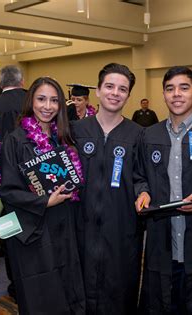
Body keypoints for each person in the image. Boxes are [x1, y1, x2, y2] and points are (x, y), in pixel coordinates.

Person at [135, 66, 192, 313]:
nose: (176, 94)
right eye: (170, 88)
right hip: (161, 237)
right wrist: (142, 191)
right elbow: (139, 174)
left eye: (184, 88)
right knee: (162, 304)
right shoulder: (148, 135)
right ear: (163, 95)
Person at [0, 76, 86, 314]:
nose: (47, 106)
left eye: (54, 100)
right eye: (41, 99)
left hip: (65, 222)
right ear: (31, 101)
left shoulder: (65, 138)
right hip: (35, 227)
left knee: (69, 285)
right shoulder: (15, 140)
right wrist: (44, 201)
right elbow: (8, 190)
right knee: (41, 292)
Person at [71, 63, 143, 314]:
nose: (115, 93)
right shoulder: (75, 131)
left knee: (119, 292)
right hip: (80, 226)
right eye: (109, 86)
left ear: (128, 95)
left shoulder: (137, 135)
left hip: (121, 230)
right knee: (78, 289)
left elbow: (142, 178)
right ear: (98, 91)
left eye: (122, 89)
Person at [0, 65, 26, 140]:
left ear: (0, 84)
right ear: (22, 81)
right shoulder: (32, 100)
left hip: (1, 149)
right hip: (30, 149)